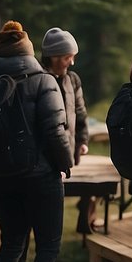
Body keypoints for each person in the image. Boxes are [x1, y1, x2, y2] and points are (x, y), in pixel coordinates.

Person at [0, 21, 78, 262]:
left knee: (11, 244)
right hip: (40, 177)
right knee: (48, 248)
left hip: (2, 176)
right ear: (28, 52)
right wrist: (65, 164)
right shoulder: (43, 83)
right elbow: (55, 132)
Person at [38, 28, 93, 234]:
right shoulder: (38, 80)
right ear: (53, 57)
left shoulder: (73, 79)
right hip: (43, 159)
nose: (72, 62)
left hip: (67, 153)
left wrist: (83, 140)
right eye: (67, 57)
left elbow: (80, 113)